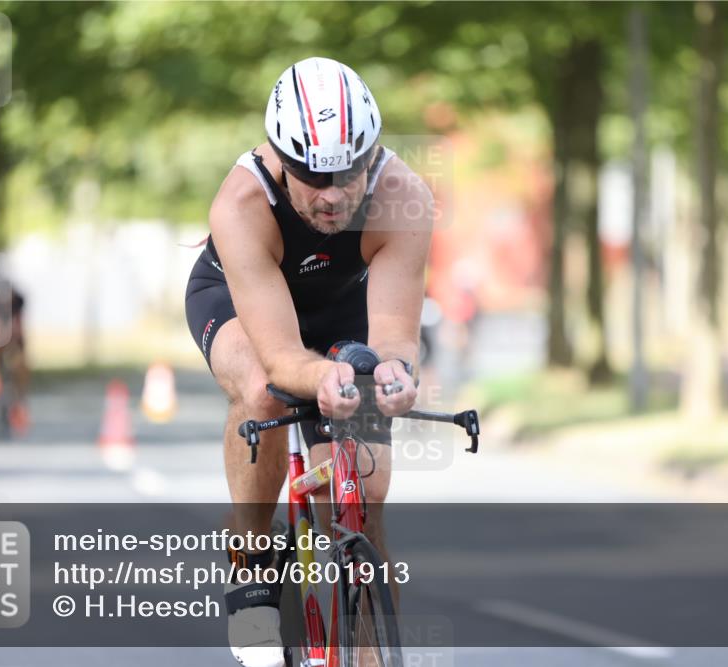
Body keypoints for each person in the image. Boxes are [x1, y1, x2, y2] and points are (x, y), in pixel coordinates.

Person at [185, 56, 432, 666]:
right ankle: (251, 558)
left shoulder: (404, 197)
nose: (334, 195)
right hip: (247, 308)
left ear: (372, 156)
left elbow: (396, 336)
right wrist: (323, 377)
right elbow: (278, 358)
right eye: (314, 177)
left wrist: (395, 377)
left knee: (363, 509)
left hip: (343, 313)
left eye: (349, 173)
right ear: (279, 158)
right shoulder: (242, 203)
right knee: (262, 391)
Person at [0, 286, 30, 436]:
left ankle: (19, 399)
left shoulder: (17, 305)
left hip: (14, 343)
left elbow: (19, 333)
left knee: (19, 367)